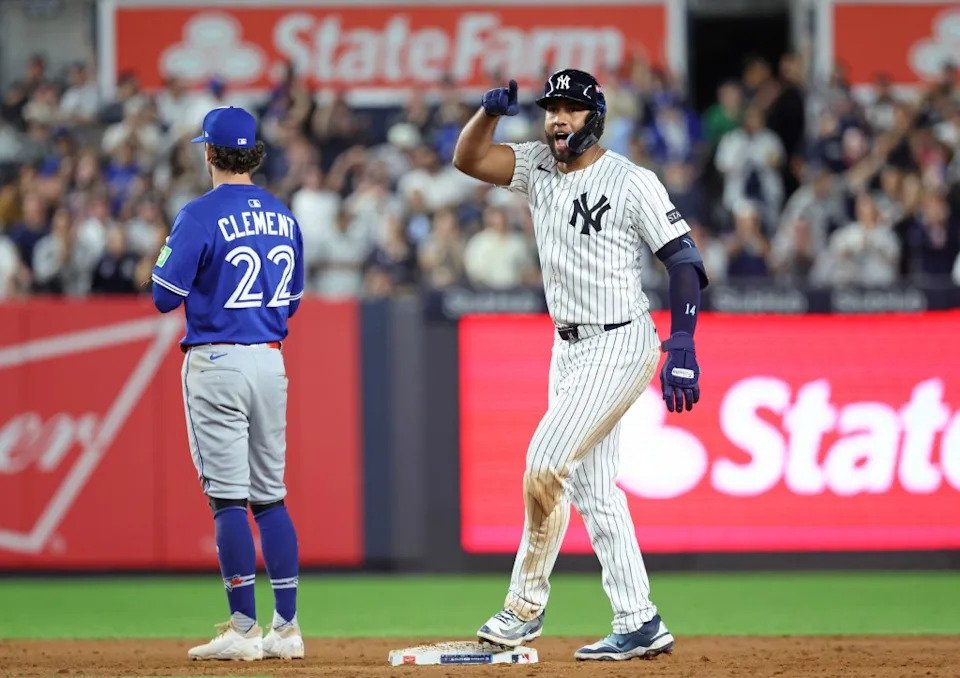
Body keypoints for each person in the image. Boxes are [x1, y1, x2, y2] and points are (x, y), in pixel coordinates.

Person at [453, 69, 708, 661]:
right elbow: (468, 159)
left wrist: (683, 341)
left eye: (570, 108)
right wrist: (487, 114)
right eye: (551, 109)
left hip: (619, 341)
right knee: (595, 491)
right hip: (567, 347)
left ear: (595, 117)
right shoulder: (538, 164)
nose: (557, 119)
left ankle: (523, 608)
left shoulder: (631, 180)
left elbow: (684, 261)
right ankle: (639, 619)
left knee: (545, 464)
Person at [150, 107, 305, 662]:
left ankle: (242, 629)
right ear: (253, 153)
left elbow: (164, 296)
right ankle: (287, 629)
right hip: (270, 358)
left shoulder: (199, 213)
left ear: (210, 153)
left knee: (228, 499)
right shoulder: (283, 214)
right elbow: (292, 302)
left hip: (217, 360)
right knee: (271, 497)